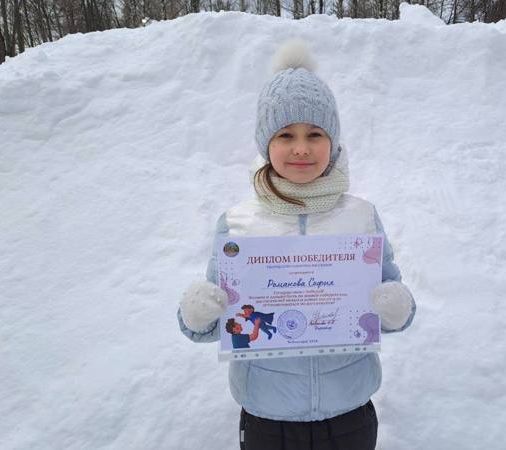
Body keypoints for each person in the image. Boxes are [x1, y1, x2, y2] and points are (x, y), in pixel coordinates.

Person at [176, 39, 417, 450]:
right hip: (268, 418)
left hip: (350, 412)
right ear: (265, 144)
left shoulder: (361, 217)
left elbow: (391, 304)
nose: (301, 147)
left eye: (315, 133)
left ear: (333, 142)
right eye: (285, 134)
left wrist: (397, 308)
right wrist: (198, 315)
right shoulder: (238, 223)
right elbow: (217, 323)